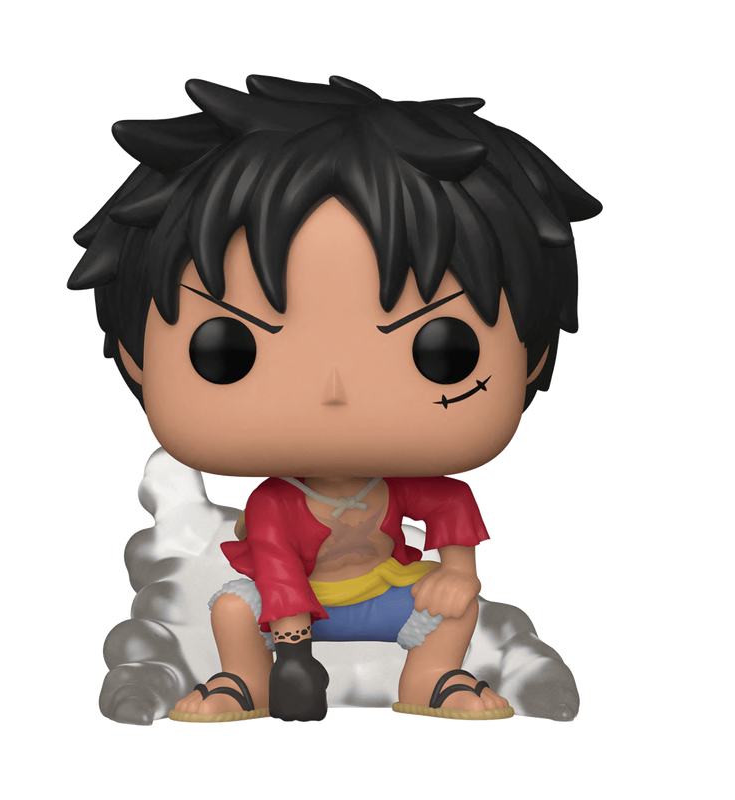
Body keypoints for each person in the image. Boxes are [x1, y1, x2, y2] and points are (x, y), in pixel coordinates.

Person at [67, 72, 604, 724]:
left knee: (456, 606)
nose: (334, 393)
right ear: (136, 358)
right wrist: (292, 650)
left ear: (533, 357)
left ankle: (432, 678)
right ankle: (245, 681)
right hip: (289, 613)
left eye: (443, 351)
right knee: (233, 607)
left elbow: (449, 505)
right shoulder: (275, 504)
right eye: (227, 351)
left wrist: (458, 572)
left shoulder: (400, 485)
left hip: (385, 596)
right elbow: (275, 566)